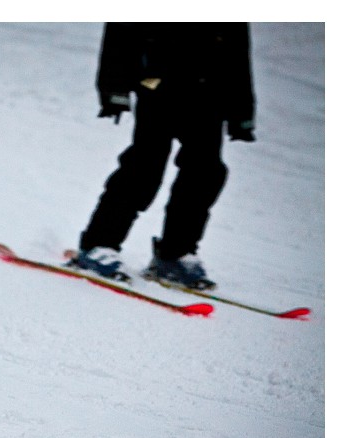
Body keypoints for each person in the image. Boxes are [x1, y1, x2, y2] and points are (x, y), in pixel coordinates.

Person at [71, 23, 256, 289]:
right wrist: (114, 89)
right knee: (144, 166)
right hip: (157, 85)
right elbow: (120, 31)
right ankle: (99, 245)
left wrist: (242, 111)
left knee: (205, 171)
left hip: (209, 94)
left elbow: (236, 51)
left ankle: (174, 254)